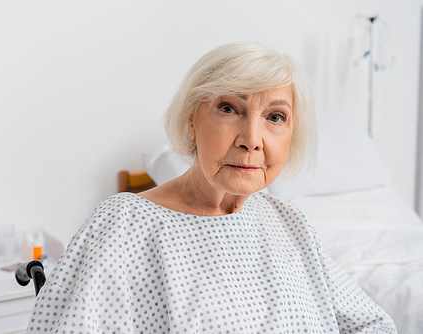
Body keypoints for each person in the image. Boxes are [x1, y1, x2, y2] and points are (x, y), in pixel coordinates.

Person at [26, 42, 397, 333]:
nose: (252, 139)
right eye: (229, 108)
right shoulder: (124, 227)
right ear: (191, 121)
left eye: (275, 117)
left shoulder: (289, 223)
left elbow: (372, 324)